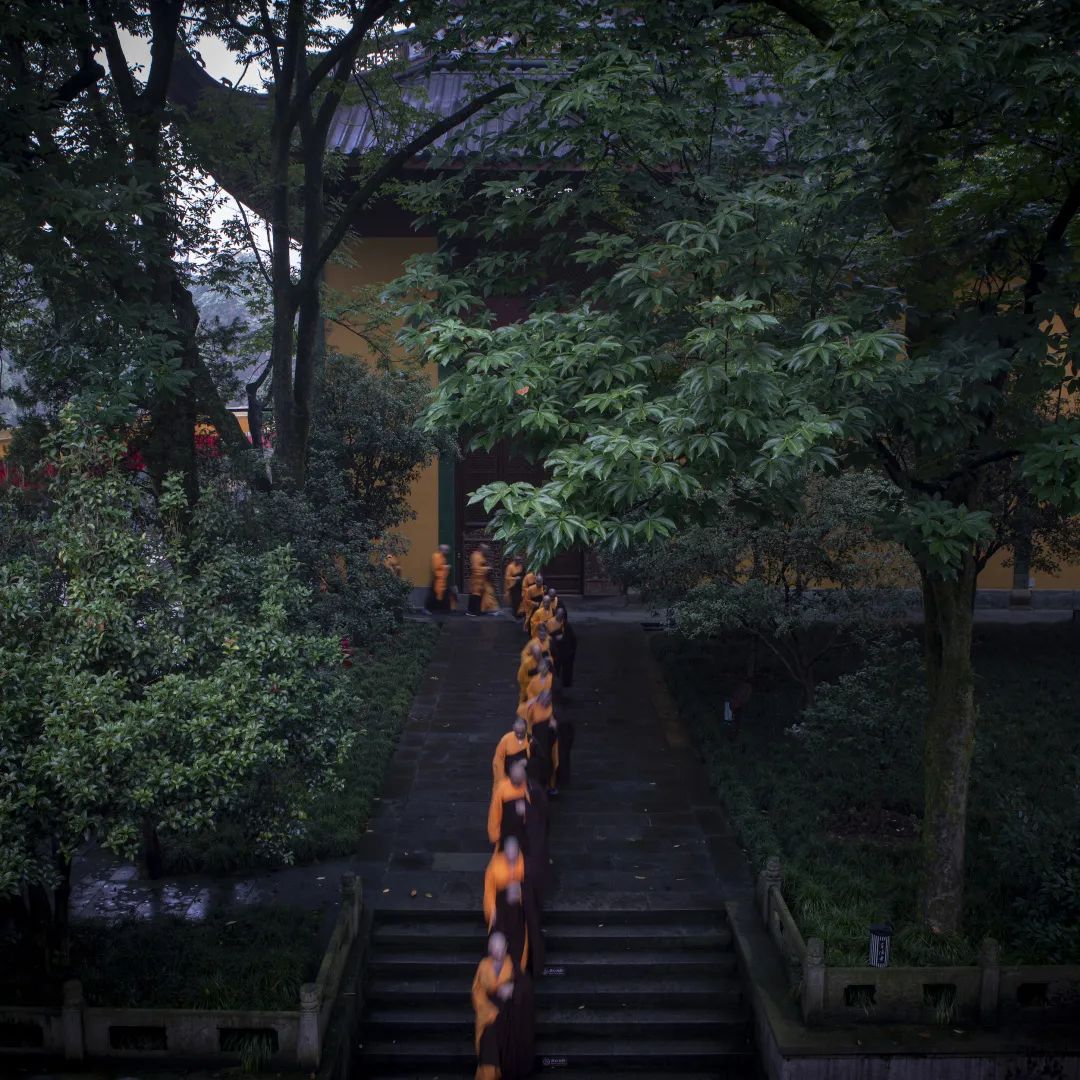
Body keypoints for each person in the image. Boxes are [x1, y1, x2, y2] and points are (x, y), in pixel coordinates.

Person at [472, 931, 535, 1080]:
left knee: (510, 1048)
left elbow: (526, 983)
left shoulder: (512, 963)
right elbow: (477, 990)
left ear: (506, 947)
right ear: (489, 948)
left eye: (500, 948)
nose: (498, 951)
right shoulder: (483, 965)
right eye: (494, 948)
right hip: (489, 1015)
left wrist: (512, 988)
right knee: (489, 1046)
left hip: (508, 1013)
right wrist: (488, 1010)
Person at [519, 689, 558, 794]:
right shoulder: (534, 706)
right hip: (536, 737)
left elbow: (555, 722)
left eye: (548, 699)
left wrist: (554, 725)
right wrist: (533, 700)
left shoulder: (552, 708)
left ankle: (548, 785)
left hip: (548, 739)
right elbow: (521, 711)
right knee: (535, 762)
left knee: (548, 761)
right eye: (544, 699)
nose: (546, 701)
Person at [488, 760, 531, 852]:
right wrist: (494, 835)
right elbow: (495, 812)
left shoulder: (527, 787)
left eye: (521, 777)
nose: (519, 782)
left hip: (523, 830)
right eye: (516, 778)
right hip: (507, 829)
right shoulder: (502, 789)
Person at [492, 717, 531, 788]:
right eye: (517, 733)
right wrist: (502, 779)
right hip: (507, 776)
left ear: (526, 729)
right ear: (513, 728)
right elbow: (498, 760)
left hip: (524, 777)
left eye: (522, 733)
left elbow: (538, 759)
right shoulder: (505, 740)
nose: (519, 735)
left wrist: (528, 762)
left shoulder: (530, 741)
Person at [468, 544, 500, 616]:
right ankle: (474, 612)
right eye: (486, 550)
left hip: (482, 580)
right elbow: (476, 569)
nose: (487, 551)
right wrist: (487, 568)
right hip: (477, 580)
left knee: (485, 594)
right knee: (475, 596)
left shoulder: (481, 555)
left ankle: (483, 610)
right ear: (481, 549)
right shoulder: (476, 556)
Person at [550, 608, 576, 688]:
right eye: (558, 614)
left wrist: (563, 638)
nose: (559, 616)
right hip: (556, 651)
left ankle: (566, 684)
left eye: (561, 615)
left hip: (565, 651)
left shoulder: (566, 625)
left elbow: (572, 639)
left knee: (566, 669)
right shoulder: (551, 623)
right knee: (555, 668)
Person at [425, 544, 454, 613]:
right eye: (446, 550)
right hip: (437, 579)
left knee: (443, 594)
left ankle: (444, 609)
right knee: (433, 595)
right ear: (442, 550)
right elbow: (436, 567)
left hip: (442, 580)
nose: (448, 552)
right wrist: (446, 567)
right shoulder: (436, 556)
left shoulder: (442, 557)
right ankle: (428, 609)